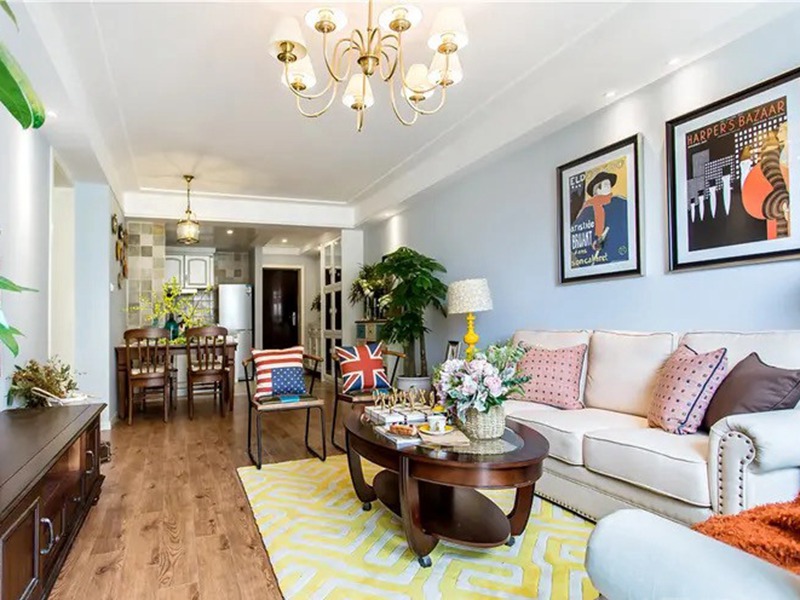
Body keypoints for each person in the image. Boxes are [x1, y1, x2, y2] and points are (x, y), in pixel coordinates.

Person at [571, 171, 629, 265]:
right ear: (597, 189)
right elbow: (577, 235)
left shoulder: (619, 202)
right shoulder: (588, 209)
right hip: (599, 258)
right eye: (606, 185)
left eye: (609, 184)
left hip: (620, 253)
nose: (609, 187)